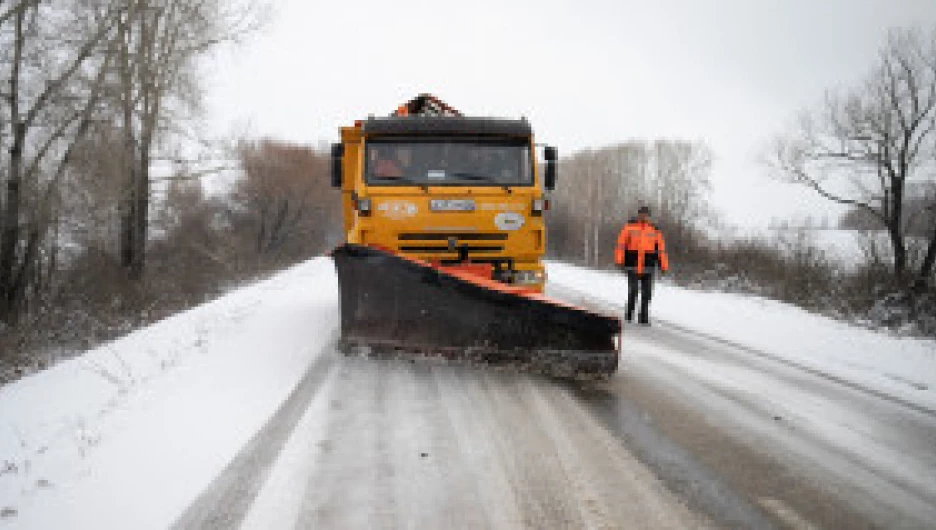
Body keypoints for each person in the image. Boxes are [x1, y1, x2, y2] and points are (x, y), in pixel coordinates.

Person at [614, 206, 669, 325]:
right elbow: (621, 245)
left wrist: (663, 265)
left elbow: (661, 250)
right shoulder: (629, 227)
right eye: (642, 214)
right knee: (633, 290)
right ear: (638, 214)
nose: (644, 216)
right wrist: (619, 260)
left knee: (647, 292)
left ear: (649, 216)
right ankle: (629, 313)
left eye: (646, 214)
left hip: (648, 266)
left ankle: (643, 317)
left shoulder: (655, 230)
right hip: (632, 265)